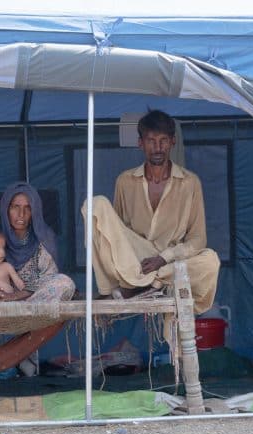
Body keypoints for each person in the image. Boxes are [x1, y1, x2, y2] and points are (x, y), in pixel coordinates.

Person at [84, 109, 220, 314]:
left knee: (210, 260)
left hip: (169, 261)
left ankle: (147, 284)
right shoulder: (125, 181)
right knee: (95, 206)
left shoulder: (190, 182)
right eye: (151, 141)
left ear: (172, 142)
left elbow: (198, 239)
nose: (158, 148)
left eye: (163, 140)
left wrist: (164, 258)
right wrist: (130, 260)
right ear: (141, 143)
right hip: (136, 260)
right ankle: (124, 284)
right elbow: (117, 232)